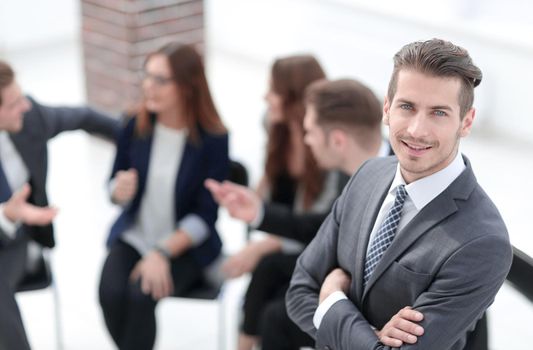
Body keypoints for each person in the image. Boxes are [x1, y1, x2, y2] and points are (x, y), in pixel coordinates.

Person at [285, 38, 513, 350]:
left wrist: (332, 301)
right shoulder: (368, 175)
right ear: (387, 108)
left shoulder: (483, 242)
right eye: (407, 107)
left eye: (438, 113)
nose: (417, 130)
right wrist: (371, 339)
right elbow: (299, 291)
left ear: (466, 122)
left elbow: (318, 297)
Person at [207, 78, 388, 349]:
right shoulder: (349, 170)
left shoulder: (392, 183)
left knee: (276, 317)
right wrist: (259, 211)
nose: (306, 140)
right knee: (271, 275)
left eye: (310, 131)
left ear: (338, 140)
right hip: (337, 276)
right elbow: (320, 225)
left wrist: (333, 285)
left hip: (371, 305)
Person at [98, 42, 229, 350]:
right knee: (109, 293)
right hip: (135, 235)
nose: (148, 86)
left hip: (183, 245)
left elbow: (206, 215)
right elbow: (112, 185)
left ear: (187, 87)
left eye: (160, 80)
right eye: (147, 76)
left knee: (140, 296)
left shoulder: (214, 140)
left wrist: (161, 253)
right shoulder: (133, 124)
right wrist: (118, 191)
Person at [216, 55, 336, 350]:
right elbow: (268, 185)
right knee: (266, 285)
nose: (265, 97)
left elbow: (321, 227)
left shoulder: (329, 144)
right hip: (288, 240)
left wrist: (263, 243)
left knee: (268, 281)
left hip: (319, 249)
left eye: (273, 90)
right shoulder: (274, 125)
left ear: (295, 98)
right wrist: (247, 201)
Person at [0, 59, 119, 349]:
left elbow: (84, 117)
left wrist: (137, 139)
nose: (24, 107)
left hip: (14, 241)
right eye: (14, 103)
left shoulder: (32, 120)